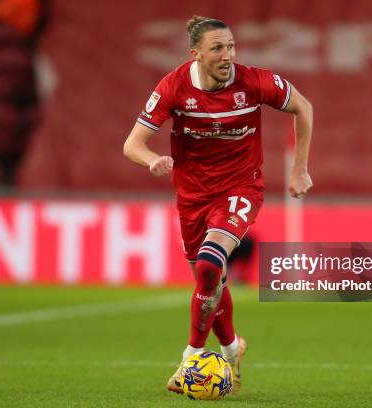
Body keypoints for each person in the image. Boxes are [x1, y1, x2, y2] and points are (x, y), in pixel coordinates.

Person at [123, 15, 313, 395]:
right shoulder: (173, 87)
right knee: (208, 278)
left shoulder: (256, 81)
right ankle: (231, 347)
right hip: (192, 197)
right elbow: (133, 144)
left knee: (211, 263)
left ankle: (191, 357)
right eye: (217, 48)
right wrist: (152, 161)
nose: (228, 55)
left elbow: (303, 107)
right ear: (196, 54)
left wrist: (299, 170)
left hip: (241, 187)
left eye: (231, 46)